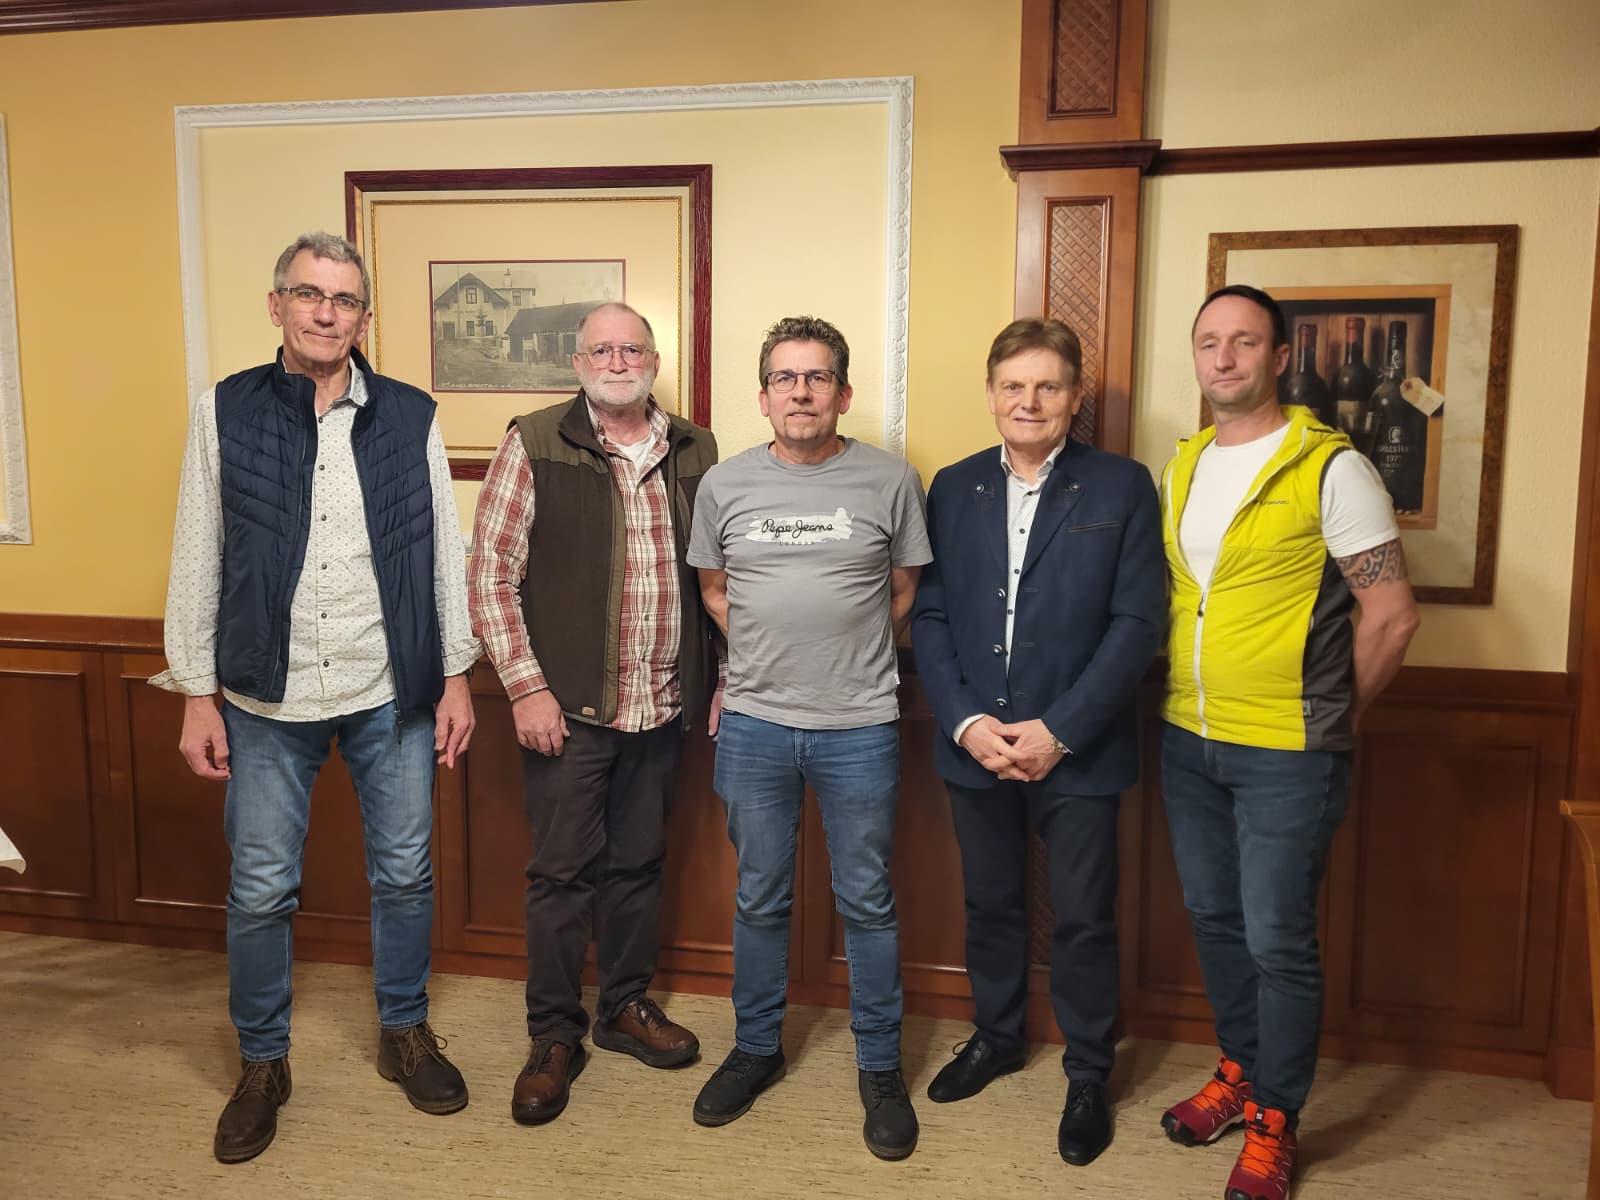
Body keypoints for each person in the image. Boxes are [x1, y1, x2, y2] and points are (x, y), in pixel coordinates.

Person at [152, 231, 481, 1164]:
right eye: (309, 294)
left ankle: (404, 1032)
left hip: (389, 687)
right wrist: (196, 691)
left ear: (363, 318)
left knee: (406, 875)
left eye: (343, 300)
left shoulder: (409, 414)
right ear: (278, 305)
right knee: (261, 889)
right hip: (265, 695)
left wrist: (457, 674)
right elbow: (197, 551)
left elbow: (442, 549)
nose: (326, 313)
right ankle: (263, 1062)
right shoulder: (224, 410)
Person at [1158, 286, 1420, 1200]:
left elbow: (1392, 617)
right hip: (1188, 735)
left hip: (1289, 753)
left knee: (1278, 940)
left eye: (1244, 342)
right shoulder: (1183, 465)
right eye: (1209, 342)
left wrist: (1328, 721)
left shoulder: (1332, 468)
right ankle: (1240, 1072)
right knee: (1214, 919)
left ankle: (1276, 1117)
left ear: (1277, 358)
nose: (1224, 357)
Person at [910, 317, 1165, 1167]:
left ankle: (1089, 1071)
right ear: (990, 395)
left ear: (1075, 396)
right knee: (991, 903)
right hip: (976, 744)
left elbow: (1138, 623)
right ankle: (997, 1036)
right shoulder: (954, 486)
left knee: (1085, 918)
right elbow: (932, 615)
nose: (1029, 401)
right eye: (1013, 386)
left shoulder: (1122, 486)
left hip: (1079, 747)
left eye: (1047, 386)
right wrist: (966, 722)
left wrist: (1060, 730)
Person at [686, 315, 931, 1160]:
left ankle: (879, 1067)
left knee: (867, 900)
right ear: (763, 397)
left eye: (817, 377)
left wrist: (844, 652)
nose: (801, 392)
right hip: (754, 724)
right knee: (759, 898)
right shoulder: (724, 485)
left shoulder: (891, 480)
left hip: (860, 726)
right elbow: (715, 590)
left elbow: (903, 589)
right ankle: (756, 1048)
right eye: (785, 378)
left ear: (843, 392)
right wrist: (767, 653)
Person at [468, 302, 719, 1126]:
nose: (618, 361)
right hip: (567, 710)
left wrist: (720, 677)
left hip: (662, 705)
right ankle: (553, 1036)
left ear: (654, 361)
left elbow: (717, 579)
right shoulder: (535, 441)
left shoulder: (695, 447)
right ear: (577, 363)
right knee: (561, 877)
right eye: (601, 350)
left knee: (639, 866)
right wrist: (525, 688)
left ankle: (623, 1008)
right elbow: (491, 574)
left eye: (632, 349)